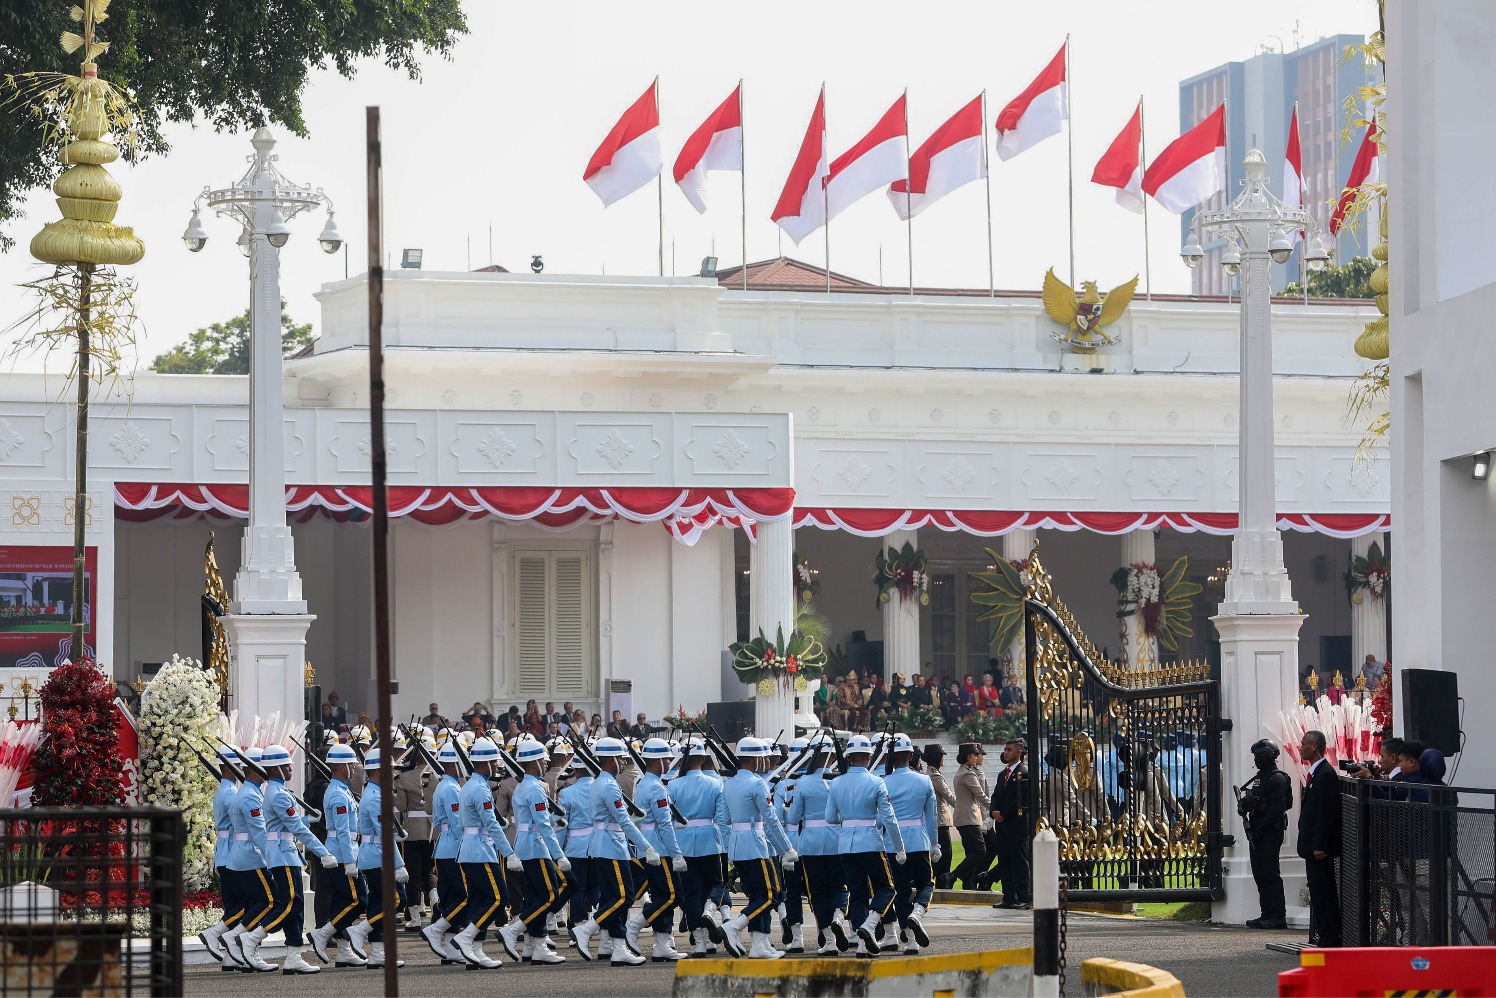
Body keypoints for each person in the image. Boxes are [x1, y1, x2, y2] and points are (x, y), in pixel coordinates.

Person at [571, 736, 657, 965]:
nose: (622, 762)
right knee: (624, 896)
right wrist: (647, 847)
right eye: (619, 758)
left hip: (603, 844)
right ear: (610, 760)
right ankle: (587, 929)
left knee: (611, 897)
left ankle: (617, 947)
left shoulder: (601, 782)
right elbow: (624, 822)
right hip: (611, 846)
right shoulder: (608, 785)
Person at [825, 733, 905, 957]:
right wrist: (899, 847)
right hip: (870, 842)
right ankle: (870, 926)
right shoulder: (877, 782)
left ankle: (863, 945)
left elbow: (830, 817)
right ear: (869, 758)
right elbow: (888, 818)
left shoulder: (836, 782)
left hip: (845, 845)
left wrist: (850, 820)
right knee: (887, 888)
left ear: (849, 758)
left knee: (858, 894)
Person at [716, 737, 796, 959]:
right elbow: (770, 820)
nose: (765, 762)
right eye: (762, 758)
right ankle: (733, 927)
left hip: (738, 846)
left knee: (756, 896)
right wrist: (786, 849)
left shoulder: (729, 784)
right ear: (753, 759)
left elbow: (723, 821)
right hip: (756, 844)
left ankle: (760, 944)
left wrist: (733, 842)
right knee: (770, 895)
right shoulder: (758, 784)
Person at [495, 737, 572, 964]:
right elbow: (543, 827)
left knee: (534, 897)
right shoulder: (536, 789)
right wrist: (559, 855)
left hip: (523, 844)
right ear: (533, 763)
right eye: (542, 760)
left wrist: (552, 817)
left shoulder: (522, 786)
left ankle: (534, 945)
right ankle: (513, 930)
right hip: (535, 847)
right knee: (550, 894)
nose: (546, 764)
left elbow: (534, 819)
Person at [449, 737, 519, 969]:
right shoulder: (480, 789)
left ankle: (475, 951)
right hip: (480, 850)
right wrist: (508, 853)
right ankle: (467, 938)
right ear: (483, 764)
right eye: (492, 763)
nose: (496, 767)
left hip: (470, 849)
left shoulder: (469, 786)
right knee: (499, 898)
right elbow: (491, 824)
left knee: (479, 900)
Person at [621, 737, 688, 962]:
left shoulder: (643, 783)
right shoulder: (657, 788)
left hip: (648, 845)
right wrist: (676, 853)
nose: (669, 764)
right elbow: (665, 825)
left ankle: (662, 944)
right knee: (672, 896)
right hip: (660, 849)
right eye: (666, 760)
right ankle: (635, 925)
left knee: (662, 894)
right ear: (657, 762)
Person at [344, 747, 409, 969]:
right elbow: (382, 834)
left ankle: (378, 953)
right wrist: (398, 864)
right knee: (397, 900)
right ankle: (359, 930)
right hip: (378, 857)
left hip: (375, 854)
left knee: (380, 903)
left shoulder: (376, 794)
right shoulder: (374, 798)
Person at [308, 744, 369, 967]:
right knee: (359, 900)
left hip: (343, 851)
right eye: (351, 763)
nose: (353, 767)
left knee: (342, 902)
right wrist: (351, 861)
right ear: (342, 766)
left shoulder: (339, 790)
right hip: (344, 854)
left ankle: (343, 951)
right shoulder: (338, 794)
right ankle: (322, 934)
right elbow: (342, 831)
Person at [786, 734, 846, 956]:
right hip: (836, 840)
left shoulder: (802, 783)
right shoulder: (838, 780)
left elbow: (793, 818)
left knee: (817, 892)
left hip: (810, 843)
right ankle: (839, 918)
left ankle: (829, 940)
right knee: (839, 886)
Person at [882, 734, 937, 954]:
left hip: (893, 844)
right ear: (912, 756)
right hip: (918, 840)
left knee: (901, 891)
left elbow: (882, 817)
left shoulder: (884, 782)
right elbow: (931, 816)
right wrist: (935, 844)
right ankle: (918, 913)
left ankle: (911, 941)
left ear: (891, 758)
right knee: (926, 884)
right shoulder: (924, 780)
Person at [420, 742, 469, 965]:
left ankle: (450, 947)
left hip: (445, 845)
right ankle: (438, 930)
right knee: (463, 895)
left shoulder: (445, 785)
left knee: (450, 896)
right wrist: (467, 845)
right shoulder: (450, 788)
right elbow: (457, 823)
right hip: (454, 846)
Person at [1240, 739, 1292, 930]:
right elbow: (1254, 801)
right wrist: (1245, 806)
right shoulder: (1260, 778)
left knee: (1271, 874)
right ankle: (1266, 914)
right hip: (1258, 832)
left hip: (1269, 832)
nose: (1256, 760)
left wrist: (1261, 828)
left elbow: (1278, 808)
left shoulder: (1277, 779)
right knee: (1260, 874)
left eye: (1259, 757)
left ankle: (1278, 916)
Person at [1297, 729, 1342, 947]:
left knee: (1324, 892)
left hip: (1319, 848)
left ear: (1314, 746)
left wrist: (1320, 844)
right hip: (1311, 845)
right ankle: (1325, 933)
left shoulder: (1325, 774)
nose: (1301, 746)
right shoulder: (1316, 774)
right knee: (1318, 891)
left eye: (1304, 743)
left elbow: (1326, 812)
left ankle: (1329, 936)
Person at [989, 738, 1030, 909]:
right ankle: (1008, 896)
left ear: (1019, 752)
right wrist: (993, 811)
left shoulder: (1024, 773)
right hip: (1002, 825)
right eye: (1005, 749)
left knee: (1019, 861)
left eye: (1010, 749)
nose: (1006, 752)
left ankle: (1023, 897)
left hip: (1016, 824)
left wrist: (1003, 813)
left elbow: (1021, 800)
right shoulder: (1002, 774)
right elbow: (996, 796)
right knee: (1004, 860)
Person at [951, 743, 991, 891]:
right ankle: (952, 876)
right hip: (969, 817)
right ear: (968, 756)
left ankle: (968, 884)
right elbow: (980, 794)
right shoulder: (967, 774)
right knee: (980, 851)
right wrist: (994, 809)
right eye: (974, 754)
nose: (976, 757)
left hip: (966, 816)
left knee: (971, 853)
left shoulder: (963, 771)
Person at [923, 744, 957, 889]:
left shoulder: (931, 773)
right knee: (945, 855)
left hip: (938, 819)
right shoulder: (934, 775)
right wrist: (960, 807)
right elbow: (948, 795)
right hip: (940, 820)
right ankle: (943, 883)